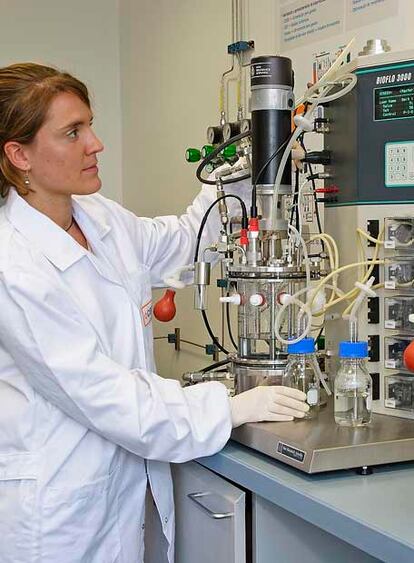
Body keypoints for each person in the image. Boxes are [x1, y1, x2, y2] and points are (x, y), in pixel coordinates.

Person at [0, 63, 309, 563]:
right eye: (72, 132)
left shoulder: (99, 217)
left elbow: (185, 242)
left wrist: (248, 176)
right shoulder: (13, 266)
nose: (96, 144)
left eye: (90, 125)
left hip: (117, 486)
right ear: (19, 155)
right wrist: (226, 408)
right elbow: (102, 392)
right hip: (56, 517)